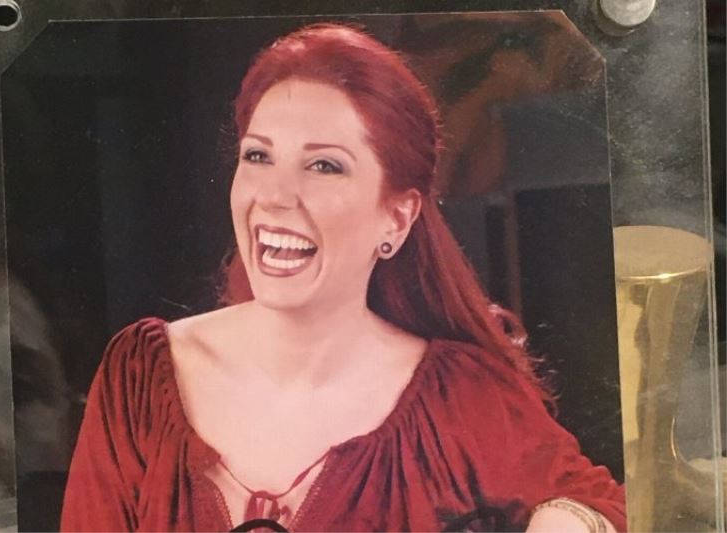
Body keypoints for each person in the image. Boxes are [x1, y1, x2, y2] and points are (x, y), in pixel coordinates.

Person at [60, 22, 626, 532]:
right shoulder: (140, 376)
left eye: (324, 165)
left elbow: (607, 504)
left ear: (396, 217)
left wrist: (565, 520)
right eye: (258, 156)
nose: (274, 197)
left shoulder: (459, 395)